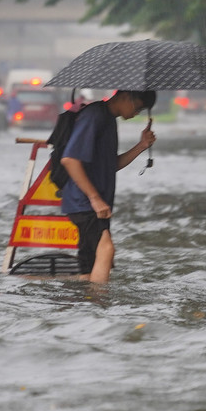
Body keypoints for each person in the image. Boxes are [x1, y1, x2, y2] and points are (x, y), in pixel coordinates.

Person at [59, 90, 157, 283]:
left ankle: (86, 304)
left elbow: (111, 164)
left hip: (95, 204)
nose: (137, 113)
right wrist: (95, 199)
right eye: (138, 108)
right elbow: (69, 160)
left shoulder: (109, 120)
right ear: (126, 96)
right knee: (106, 250)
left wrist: (142, 145)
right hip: (85, 202)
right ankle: (100, 305)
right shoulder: (94, 116)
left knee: (90, 265)